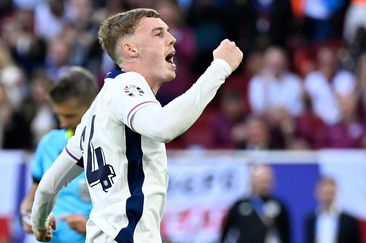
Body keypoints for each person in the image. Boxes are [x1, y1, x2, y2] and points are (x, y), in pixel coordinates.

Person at [31, 8, 243, 243]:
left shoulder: (95, 114)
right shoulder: (126, 85)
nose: (171, 39)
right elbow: (164, 127)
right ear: (130, 49)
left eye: (168, 32)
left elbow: (48, 186)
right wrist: (220, 68)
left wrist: (39, 223)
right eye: (158, 33)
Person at [20, 67, 99, 242]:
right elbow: (30, 199)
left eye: (69, 116)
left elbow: (127, 218)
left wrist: (90, 227)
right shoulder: (49, 142)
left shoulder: (110, 148)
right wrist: (29, 218)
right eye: (58, 115)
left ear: (92, 108)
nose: (62, 123)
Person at [220, 164, 291, 243]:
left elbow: (286, 234)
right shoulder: (239, 205)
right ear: (251, 181)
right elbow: (225, 232)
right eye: (261, 181)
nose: (264, 185)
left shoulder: (278, 205)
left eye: (267, 181)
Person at [305, 176, 361, 243]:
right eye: (325, 192)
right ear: (317, 193)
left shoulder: (349, 221)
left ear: (336, 192)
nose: (327, 196)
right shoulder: (310, 220)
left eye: (330, 193)